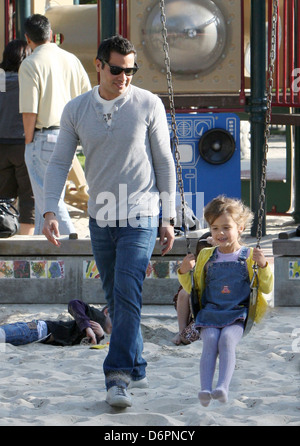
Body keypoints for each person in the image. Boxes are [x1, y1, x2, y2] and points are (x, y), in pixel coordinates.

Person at [42, 35, 176, 408]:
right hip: (100, 218)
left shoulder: (149, 103)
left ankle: (117, 377)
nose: (124, 77)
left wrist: (169, 217)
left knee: (127, 292)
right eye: (117, 69)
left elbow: (164, 162)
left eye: (130, 70)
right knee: (115, 300)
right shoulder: (76, 109)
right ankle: (138, 364)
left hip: (142, 214)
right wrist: (49, 210)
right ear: (98, 66)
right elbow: (58, 162)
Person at [178, 195, 273, 406]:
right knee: (210, 340)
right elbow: (192, 288)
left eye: (226, 227)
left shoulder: (249, 256)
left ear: (240, 228)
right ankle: (205, 389)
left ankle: (222, 386)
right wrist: (185, 271)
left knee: (227, 340)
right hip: (210, 312)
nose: (220, 233)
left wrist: (264, 266)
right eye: (214, 228)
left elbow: (265, 288)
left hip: (238, 314)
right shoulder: (206, 256)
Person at [18, 14, 91, 235]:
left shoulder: (30, 64)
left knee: (49, 202)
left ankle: (72, 244)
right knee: (47, 202)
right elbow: (87, 98)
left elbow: (30, 111)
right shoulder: (71, 59)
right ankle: (48, 256)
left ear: (27, 38)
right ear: (51, 34)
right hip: (69, 135)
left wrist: (28, 142)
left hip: (43, 136)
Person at [0, 39, 35, 235]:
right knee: (28, 196)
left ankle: (5, 232)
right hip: (23, 143)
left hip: (1, 144)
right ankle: (25, 239)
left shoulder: (1, 79)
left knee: (3, 197)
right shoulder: (27, 80)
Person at [0, 299, 112, 347]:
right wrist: (87, 327)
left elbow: (86, 343)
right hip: (38, 330)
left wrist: (101, 336)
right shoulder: (98, 316)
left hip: (36, 336)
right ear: (107, 312)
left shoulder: (99, 327)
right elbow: (74, 304)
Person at [172, 232, 212, 346]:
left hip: (218, 313)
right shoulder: (196, 271)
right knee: (186, 338)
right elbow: (186, 289)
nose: (208, 263)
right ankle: (181, 330)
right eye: (204, 258)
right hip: (197, 313)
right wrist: (184, 270)